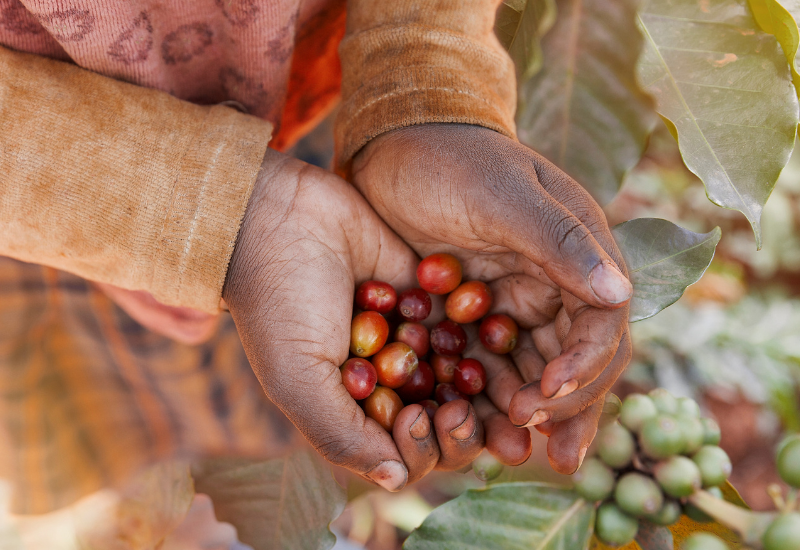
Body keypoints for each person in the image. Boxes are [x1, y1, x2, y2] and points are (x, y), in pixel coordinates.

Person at [0, 0, 631, 514]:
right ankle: (119, 499)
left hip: (311, 86)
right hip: (48, 200)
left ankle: (178, 491)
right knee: (91, 398)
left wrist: (418, 77)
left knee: (276, 357)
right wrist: (220, 214)